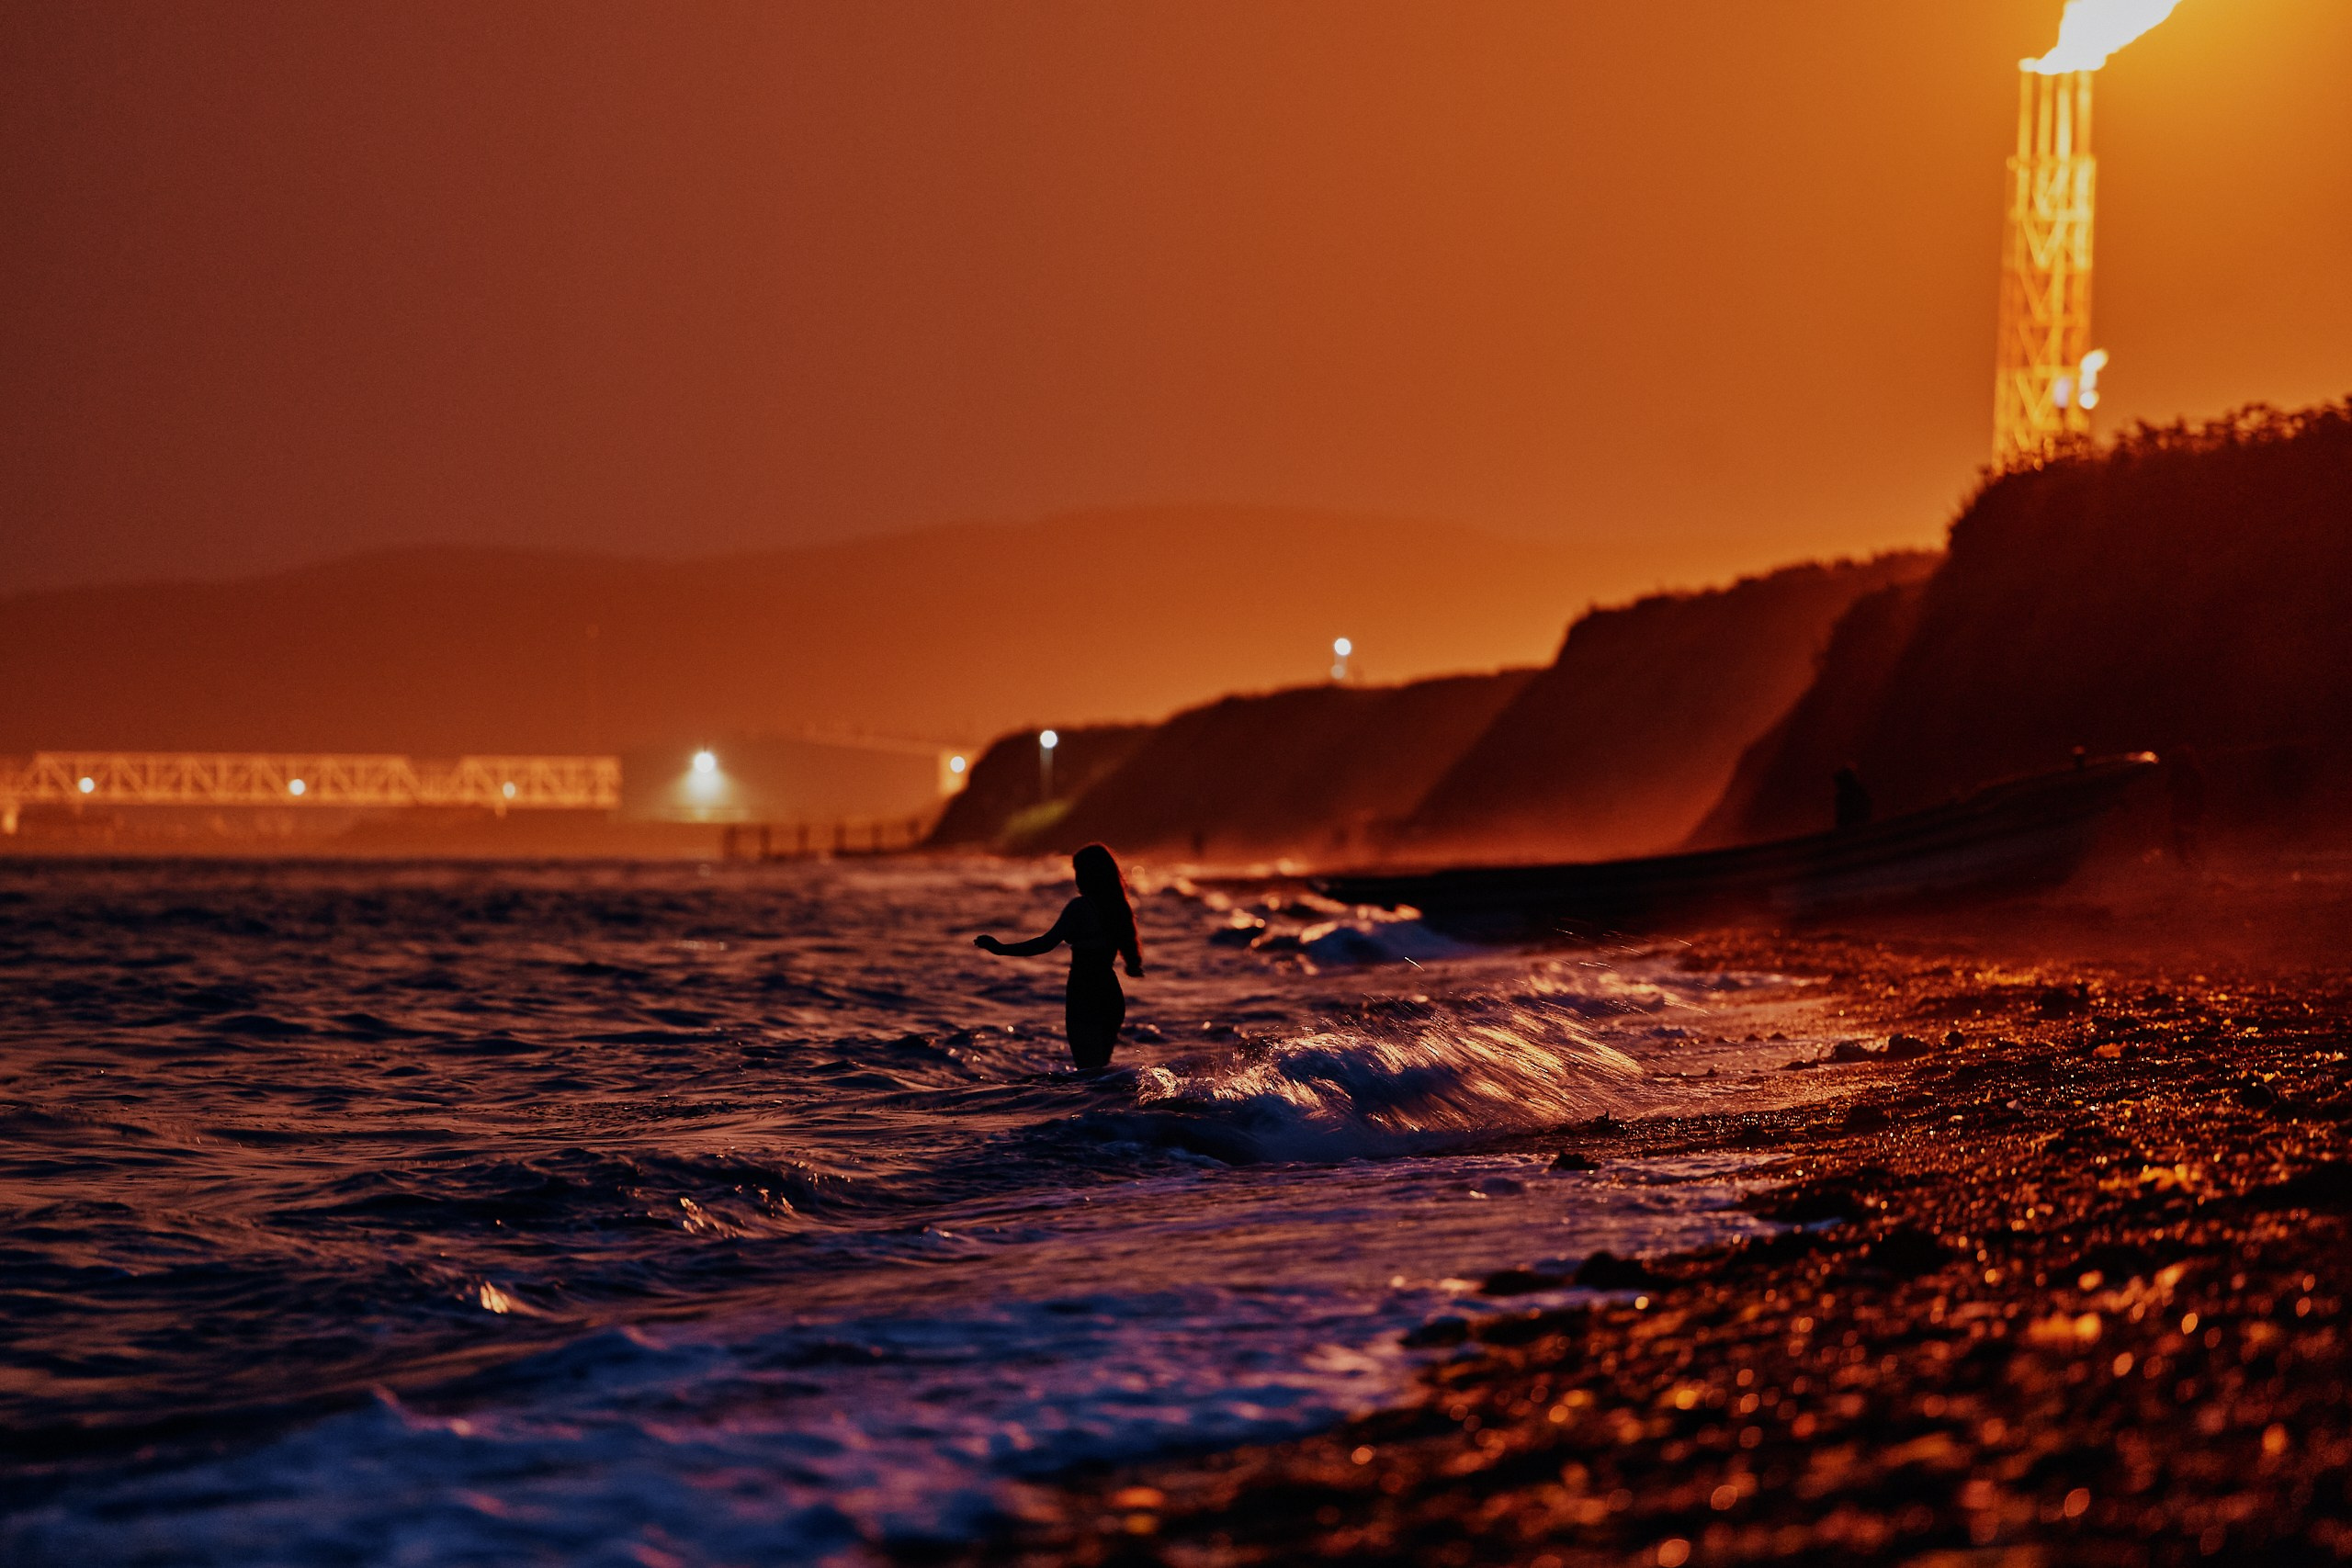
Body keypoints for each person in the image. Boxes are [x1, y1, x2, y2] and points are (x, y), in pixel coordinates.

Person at [974, 842, 1145, 1069]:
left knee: (1089, 1074)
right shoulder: (1118, 908)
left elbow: (1045, 943)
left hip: (1085, 994)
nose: (1076, 879)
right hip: (1111, 996)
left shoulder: (1081, 907)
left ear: (1088, 874)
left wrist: (1001, 949)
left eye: (1079, 872)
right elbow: (1128, 952)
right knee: (1101, 1074)